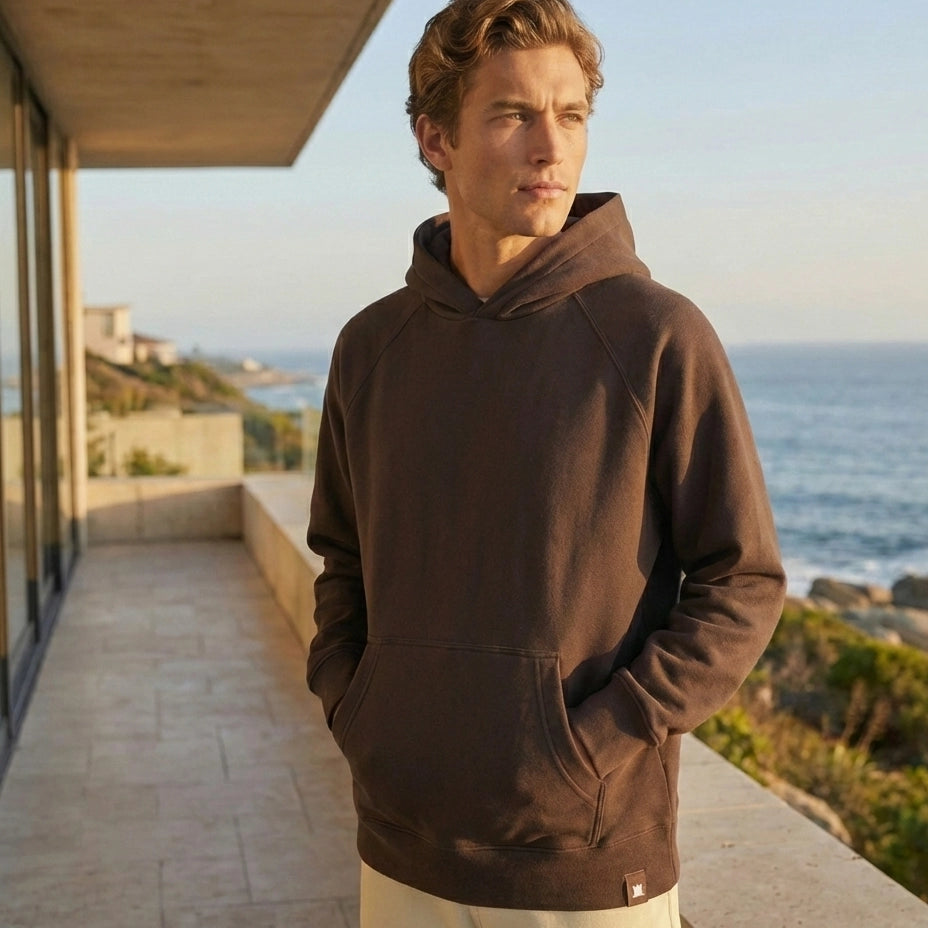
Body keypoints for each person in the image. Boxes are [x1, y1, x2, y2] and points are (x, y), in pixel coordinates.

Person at [306, 0, 786, 925]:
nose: (551, 148)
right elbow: (345, 557)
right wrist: (359, 710)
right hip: (398, 846)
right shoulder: (371, 346)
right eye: (513, 114)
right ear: (435, 137)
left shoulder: (655, 336)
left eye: (571, 116)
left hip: (586, 865)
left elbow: (744, 580)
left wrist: (592, 745)